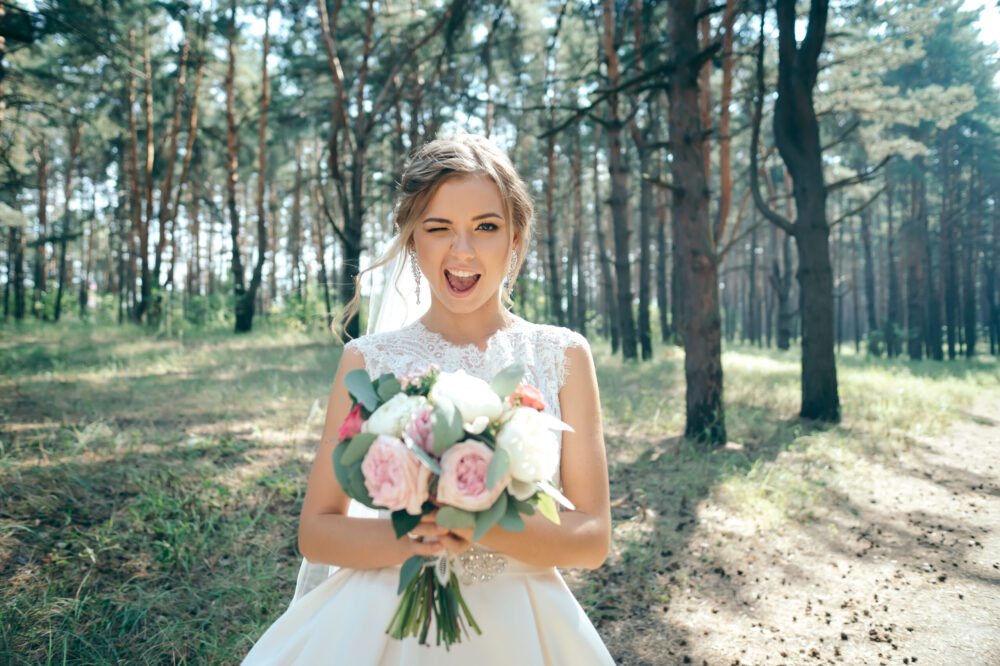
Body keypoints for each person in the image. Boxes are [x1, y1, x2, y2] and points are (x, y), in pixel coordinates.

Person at [242, 134, 615, 665]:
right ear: (412, 239)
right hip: (383, 615)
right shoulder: (368, 363)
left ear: (515, 237)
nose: (461, 252)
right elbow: (317, 532)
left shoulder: (562, 356)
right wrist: (423, 535)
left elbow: (592, 537)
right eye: (438, 228)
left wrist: (478, 521)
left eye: (486, 227)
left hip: (523, 622)